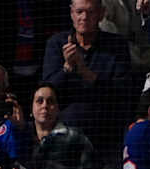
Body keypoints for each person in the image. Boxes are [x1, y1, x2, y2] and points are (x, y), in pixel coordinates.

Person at [43, 0, 138, 158]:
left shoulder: (116, 45)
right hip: (65, 132)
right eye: (79, 12)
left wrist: (85, 72)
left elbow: (123, 93)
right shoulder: (57, 44)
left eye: (90, 12)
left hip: (105, 132)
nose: (84, 17)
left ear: (101, 14)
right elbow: (47, 91)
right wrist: (67, 67)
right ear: (72, 13)